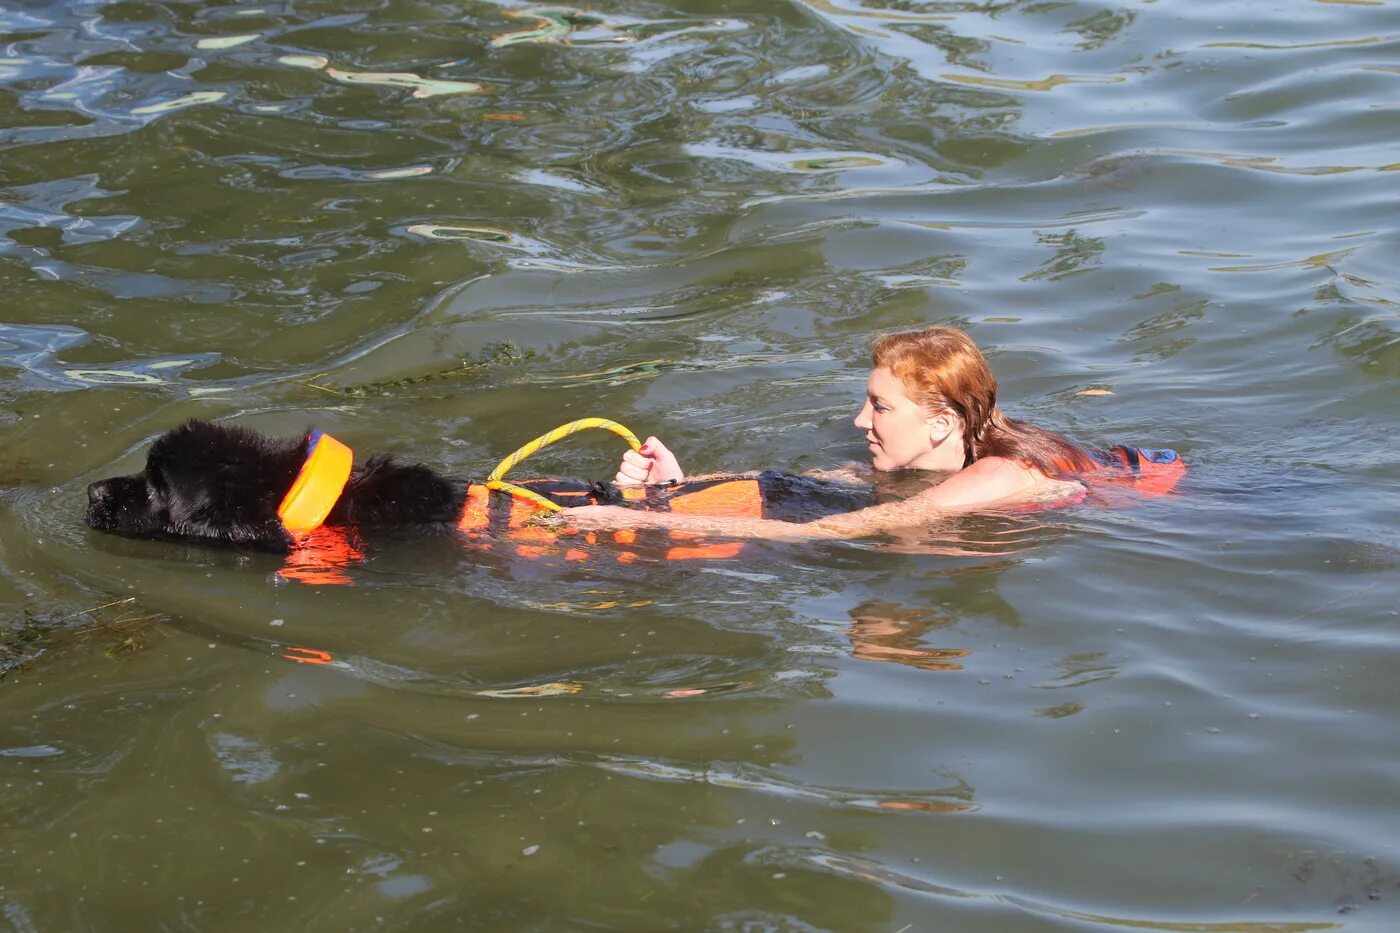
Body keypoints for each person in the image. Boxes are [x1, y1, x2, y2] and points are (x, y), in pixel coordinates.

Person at [563, 326, 1170, 540]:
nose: (860, 421)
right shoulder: (946, 447)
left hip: (1204, 512)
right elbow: (812, 487)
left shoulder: (999, 474)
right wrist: (682, 486)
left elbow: (838, 529)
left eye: (879, 407)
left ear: (940, 422)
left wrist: (637, 521)